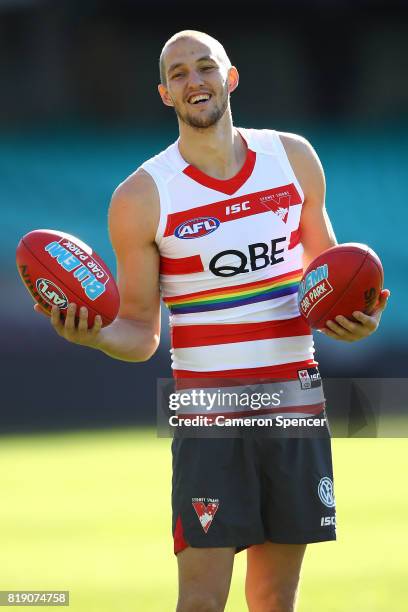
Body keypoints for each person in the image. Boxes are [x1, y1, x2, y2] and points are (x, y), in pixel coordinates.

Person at [35, 30, 389, 612]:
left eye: (205, 67)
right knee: (201, 600)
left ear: (231, 78)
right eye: (178, 74)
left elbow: (324, 284)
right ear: (164, 94)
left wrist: (354, 320)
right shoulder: (142, 197)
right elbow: (142, 333)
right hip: (209, 417)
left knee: (276, 596)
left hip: (295, 408)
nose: (193, 80)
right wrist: (93, 331)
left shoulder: (293, 158)